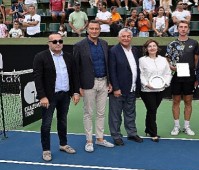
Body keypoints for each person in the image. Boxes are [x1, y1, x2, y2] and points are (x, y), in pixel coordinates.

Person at [33, 33, 80, 161]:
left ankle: (63, 144)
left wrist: (75, 92)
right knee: (46, 124)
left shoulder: (69, 57)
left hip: (65, 95)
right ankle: (46, 150)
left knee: (63, 121)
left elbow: (74, 76)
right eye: (54, 42)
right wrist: (42, 96)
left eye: (60, 41)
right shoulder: (40, 57)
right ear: (49, 43)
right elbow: (38, 78)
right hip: (49, 97)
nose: (58, 43)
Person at [73, 20, 114, 152]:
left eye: (97, 29)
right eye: (92, 29)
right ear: (87, 30)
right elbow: (76, 68)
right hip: (88, 84)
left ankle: (100, 139)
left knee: (101, 113)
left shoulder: (104, 43)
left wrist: (109, 82)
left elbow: (107, 64)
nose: (94, 31)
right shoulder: (79, 46)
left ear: (100, 30)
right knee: (88, 113)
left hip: (103, 82)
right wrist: (77, 87)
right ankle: (89, 140)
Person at [108, 28, 143, 146]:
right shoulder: (113, 51)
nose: (126, 38)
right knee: (115, 115)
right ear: (119, 37)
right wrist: (116, 88)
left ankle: (132, 133)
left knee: (130, 113)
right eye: (123, 36)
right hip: (119, 89)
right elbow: (112, 71)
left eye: (128, 36)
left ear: (131, 38)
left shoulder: (135, 50)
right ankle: (116, 136)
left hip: (132, 88)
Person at [165, 20, 199, 136]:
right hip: (176, 77)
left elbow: (196, 60)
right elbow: (167, 58)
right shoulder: (172, 44)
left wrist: (194, 75)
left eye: (185, 27)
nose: (183, 29)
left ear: (188, 29)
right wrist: (170, 66)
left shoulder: (194, 43)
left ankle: (186, 126)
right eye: (181, 27)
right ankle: (176, 126)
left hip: (189, 77)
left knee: (188, 101)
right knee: (176, 101)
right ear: (177, 29)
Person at [139, 39, 172, 142]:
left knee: (152, 110)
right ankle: (153, 132)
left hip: (160, 89)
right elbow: (140, 74)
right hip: (147, 90)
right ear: (146, 49)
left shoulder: (163, 59)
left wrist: (165, 83)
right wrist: (146, 84)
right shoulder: (142, 60)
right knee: (152, 110)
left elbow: (168, 73)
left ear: (157, 48)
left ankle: (148, 128)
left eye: (154, 46)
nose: (152, 48)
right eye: (149, 46)